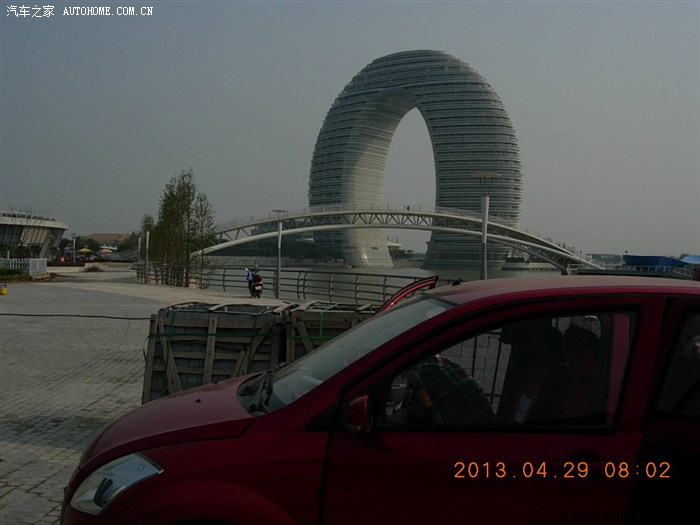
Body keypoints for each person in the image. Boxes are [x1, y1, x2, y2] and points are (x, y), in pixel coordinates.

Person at [386, 355, 494, 426]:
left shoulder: (419, 374)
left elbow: (421, 415)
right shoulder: (437, 362)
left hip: (468, 443)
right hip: (486, 432)